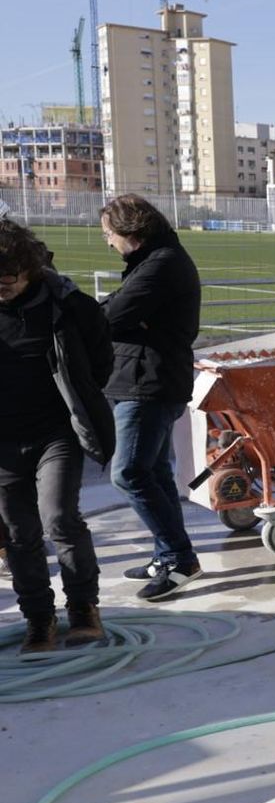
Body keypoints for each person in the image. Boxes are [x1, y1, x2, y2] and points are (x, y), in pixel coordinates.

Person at [0, 221, 115, 654]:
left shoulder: (67, 306)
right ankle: (38, 619)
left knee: (60, 518)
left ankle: (84, 608)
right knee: (18, 531)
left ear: (28, 269)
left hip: (55, 435)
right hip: (4, 443)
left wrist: (81, 399)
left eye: (7, 279)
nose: (1, 288)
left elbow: (100, 359)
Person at [99, 194, 203, 602]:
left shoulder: (161, 265)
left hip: (149, 385)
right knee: (155, 472)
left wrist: (120, 315)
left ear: (133, 233)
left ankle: (179, 558)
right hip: (148, 380)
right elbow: (119, 312)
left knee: (129, 473)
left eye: (110, 234)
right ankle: (168, 553)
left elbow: (108, 318)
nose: (108, 242)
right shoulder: (156, 261)